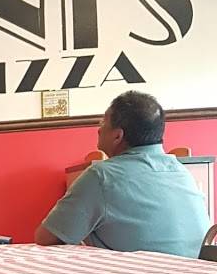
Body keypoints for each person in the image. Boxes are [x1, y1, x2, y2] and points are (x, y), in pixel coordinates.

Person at [34, 90, 209, 257]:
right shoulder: (182, 172)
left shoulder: (101, 176)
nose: (99, 129)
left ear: (117, 136)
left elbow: (46, 238)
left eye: (103, 122)